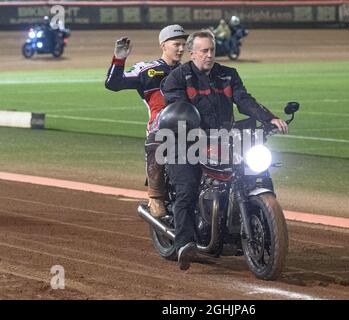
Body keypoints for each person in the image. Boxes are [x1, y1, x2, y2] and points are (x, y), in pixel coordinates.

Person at [161, 30, 288, 270]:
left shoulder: (227, 75)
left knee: (258, 174)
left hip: (225, 141)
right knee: (187, 188)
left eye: (212, 50)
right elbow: (177, 109)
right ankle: (184, 243)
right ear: (192, 53)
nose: (209, 55)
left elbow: (244, 100)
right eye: (204, 51)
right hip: (185, 142)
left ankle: (265, 230)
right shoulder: (177, 78)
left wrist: (269, 118)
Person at [105, 25, 188, 218]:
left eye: (184, 45)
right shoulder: (147, 70)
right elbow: (113, 84)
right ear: (163, 45)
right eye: (177, 44)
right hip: (162, 128)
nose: (181, 49)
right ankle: (156, 195)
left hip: (192, 127)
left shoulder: (190, 71)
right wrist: (119, 58)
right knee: (158, 141)